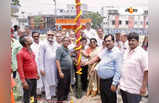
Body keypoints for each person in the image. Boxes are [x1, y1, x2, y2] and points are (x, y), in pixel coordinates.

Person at [84, 34, 122, 103]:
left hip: (110, 81)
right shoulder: (105, 50)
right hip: (102, 81)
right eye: (105, 41)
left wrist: (114, 83)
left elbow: (118, 70)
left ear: (113, 41)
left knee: (111, 100)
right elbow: (98, 58)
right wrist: (89, 63)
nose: (107, 43)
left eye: (109, 41)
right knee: (104, 99)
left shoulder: (117, 53)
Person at [119, 32, 148, 103]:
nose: (131, 42)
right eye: (129, 40)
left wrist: (143, 87)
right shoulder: (126, 51)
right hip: (124, 87)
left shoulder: (142, 53)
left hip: (134, 89)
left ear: (138, 41)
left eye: (133, 40)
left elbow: (147, 70)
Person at [17, 35, 39, 103]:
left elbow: (33, 62)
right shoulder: (20, 53)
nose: (31, 38)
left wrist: (36, 73)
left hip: (34, 77)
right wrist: (23, 81)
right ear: (26, 42)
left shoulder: (30, 50)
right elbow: (20, 68)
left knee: (33, 95)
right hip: (27, 79)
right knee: (27, 96)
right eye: (29, 38)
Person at [39, 30, 58, 100]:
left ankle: (53, 94)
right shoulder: (43, 44)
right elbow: (40, 57)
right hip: (46, 66)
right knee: (47, 82)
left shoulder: (55, 43)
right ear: (46, 36)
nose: (50, 36)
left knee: (54, 80)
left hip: (54, 66)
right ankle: (48, 97)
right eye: (49, 35)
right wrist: (42, 68)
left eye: (52, 35)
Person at [56, 37, 73, 102]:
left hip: (68, 70)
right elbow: (57, 60)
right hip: (62, 70)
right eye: (65, 41)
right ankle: (60, 100)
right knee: (61, 85)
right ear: (62, 41)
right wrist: (60, 72)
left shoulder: (67, 49)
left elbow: (68, 57)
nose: (66, 42)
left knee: (67, 85)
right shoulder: (60, 49)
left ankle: (65, 98)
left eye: (68, 41)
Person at [31, 32, 44, 97]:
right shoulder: (31, 45)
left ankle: (42, 91)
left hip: (43, 64)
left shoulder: (42, 44)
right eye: (34, 36)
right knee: (37, 79)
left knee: (43, 78)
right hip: (34, 64)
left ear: (39, 36)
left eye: (37, 36)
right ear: (32, 37)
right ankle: (37, 94)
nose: (36, 37)